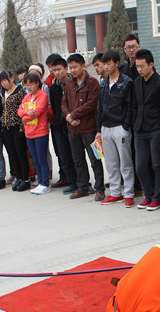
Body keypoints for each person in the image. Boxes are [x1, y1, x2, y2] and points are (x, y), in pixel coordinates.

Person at [130, 49, 160, 211]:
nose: (139, 69)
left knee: (157, 164)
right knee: (140, 166)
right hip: (139, 129)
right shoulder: (136, 83)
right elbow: (133, 106)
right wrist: (134, 123)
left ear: (151, 64)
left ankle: (157, 197)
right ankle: (148, 195)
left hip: (156, 129)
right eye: (137, 66)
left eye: (142, 66)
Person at [62, 53, 105, 200]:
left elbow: (91, 104)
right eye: (70, 67)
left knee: (95, 160)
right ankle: (83, 187)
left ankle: (100, 188)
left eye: (75, 67)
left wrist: (73, 116)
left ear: (83, 66)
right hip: (73, 129)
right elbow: (64, 103)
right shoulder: (69, 84)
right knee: (78, 160)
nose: (72, 70)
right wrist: (69, 117)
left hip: (90, 129)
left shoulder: (93, 83)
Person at [97, 50, 135, 207]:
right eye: (104, 63)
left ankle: (129, 194)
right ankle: (115, 193)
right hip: (105, 128)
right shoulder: (103, 83)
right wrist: (99, 129)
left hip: (121, 127)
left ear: (117, 63)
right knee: (110, 163)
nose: (106, 66)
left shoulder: (126, 82)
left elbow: (131, 106)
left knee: (125, 163)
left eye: (108, 63)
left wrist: (125, 125)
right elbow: (99, 107)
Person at [18, 73, 51, 194]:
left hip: (40, 132)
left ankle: (45, 183)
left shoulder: (42, 95)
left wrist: (25, 116)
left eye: (31, 84)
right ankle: (40, 181)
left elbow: (38, 111)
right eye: (27, 85)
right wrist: (27, 113)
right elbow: (20, 112)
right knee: (35, 159)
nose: (29, 87)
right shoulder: (27, 97)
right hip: (29, 133)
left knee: (42, 159)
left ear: (37, 83)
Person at [48, 56, 77, 189]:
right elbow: (54, 107)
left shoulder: (75, 84)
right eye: (54, 70)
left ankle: (82, 183)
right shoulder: (54, 88)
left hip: (75, 125)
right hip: (59, 127)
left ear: (66, 69)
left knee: (77, 157)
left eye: (59, 69)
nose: (57, 72)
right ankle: (72, 183)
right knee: (64, 156)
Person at [0, 71, 31, 192]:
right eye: (1, 81)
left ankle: (26, 179)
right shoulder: (2, 92)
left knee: (21, 153)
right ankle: (18, 177)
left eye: (5, 80)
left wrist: (22, 128)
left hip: (17, 127)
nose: (4, 83)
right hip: (6, 127)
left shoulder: (20, 92)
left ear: (12, 78)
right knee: (12, 154)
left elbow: (24, 108)